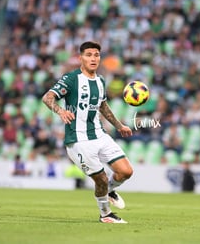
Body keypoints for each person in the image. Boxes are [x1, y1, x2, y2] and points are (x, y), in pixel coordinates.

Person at [42, 41, 134, 224]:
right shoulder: (72, 78)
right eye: (88, 55)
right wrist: (60, 111)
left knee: (126, 171)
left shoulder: (100, 80)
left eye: (96, 55)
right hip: (78, 139)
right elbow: (48, 97)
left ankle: (109, 190)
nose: (93, 58)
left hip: (99, 134)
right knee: (100, 178)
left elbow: (103, 106)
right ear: (81, 58)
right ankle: (106, 215)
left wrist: (119, 125)